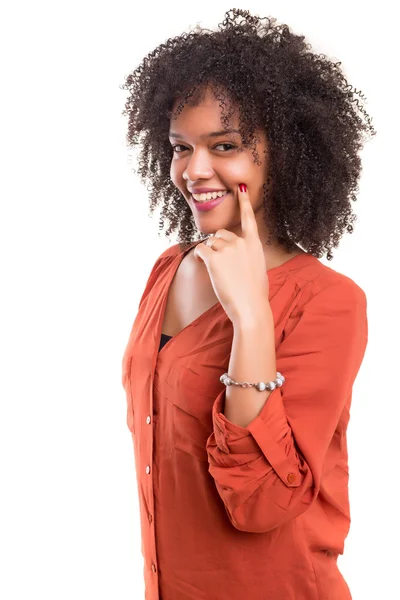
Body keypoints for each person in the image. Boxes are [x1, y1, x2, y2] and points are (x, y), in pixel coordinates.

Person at [120, 8, 375, 600]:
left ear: (285, 152)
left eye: (226, 145)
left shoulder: (329, 303)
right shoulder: (170, 269)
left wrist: (252, 317)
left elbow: (263, 503)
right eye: (181, 147)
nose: (195, 170)